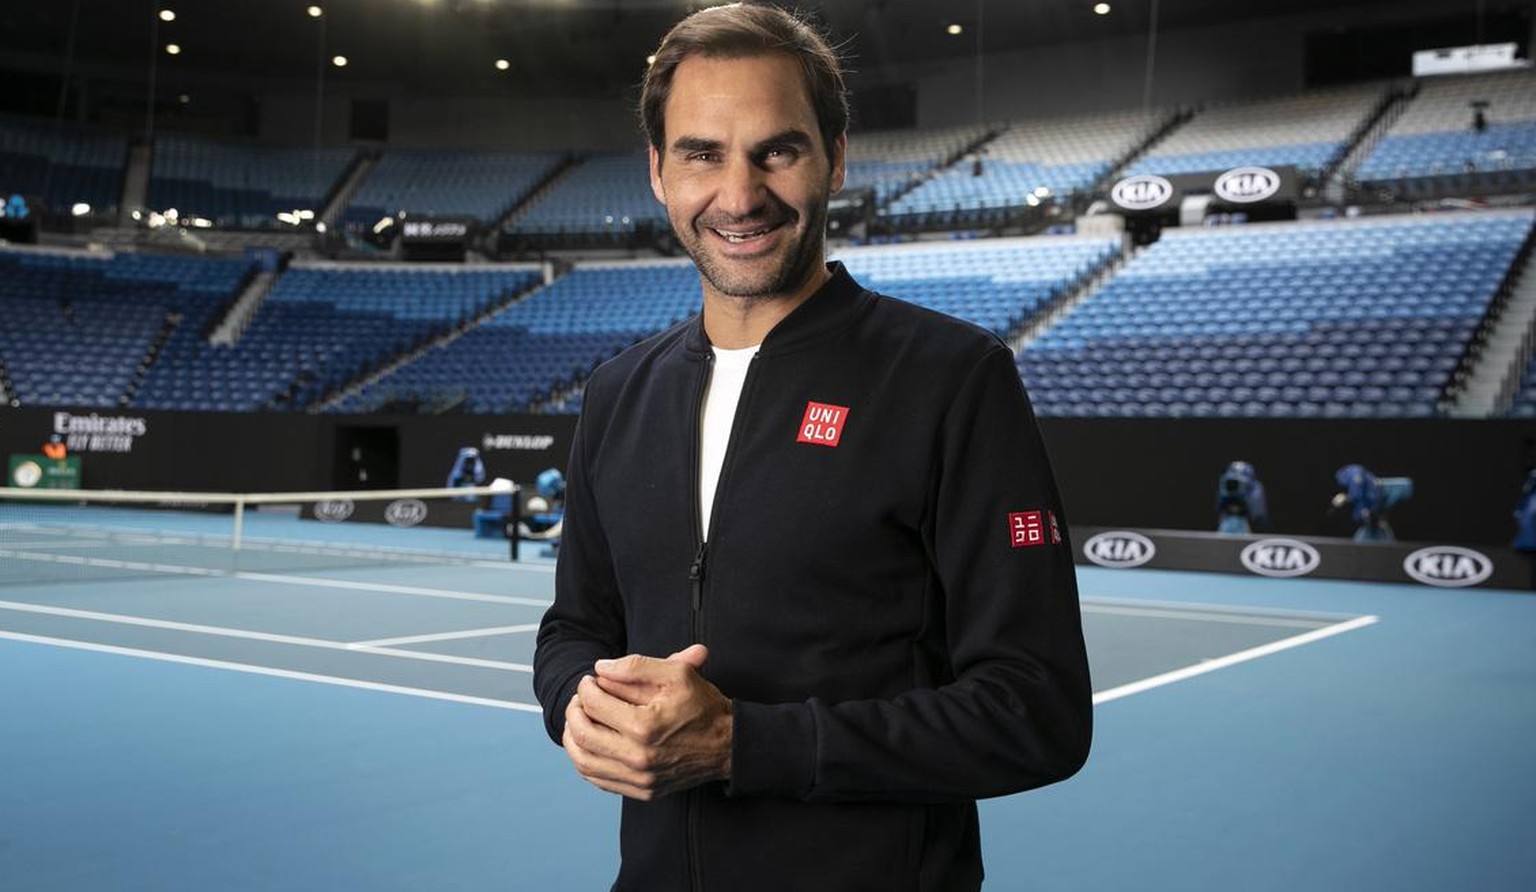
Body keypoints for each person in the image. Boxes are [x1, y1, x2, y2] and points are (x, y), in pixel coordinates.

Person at [532, 5, 1092, 890]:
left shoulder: (953, 379)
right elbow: (573, 629)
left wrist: (744, 745)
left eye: (777, 150)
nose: (740, 195)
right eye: (701, 154)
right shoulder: (616, 393)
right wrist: (579, 704)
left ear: (834, 156)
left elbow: (1038, 711)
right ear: (657, 172)